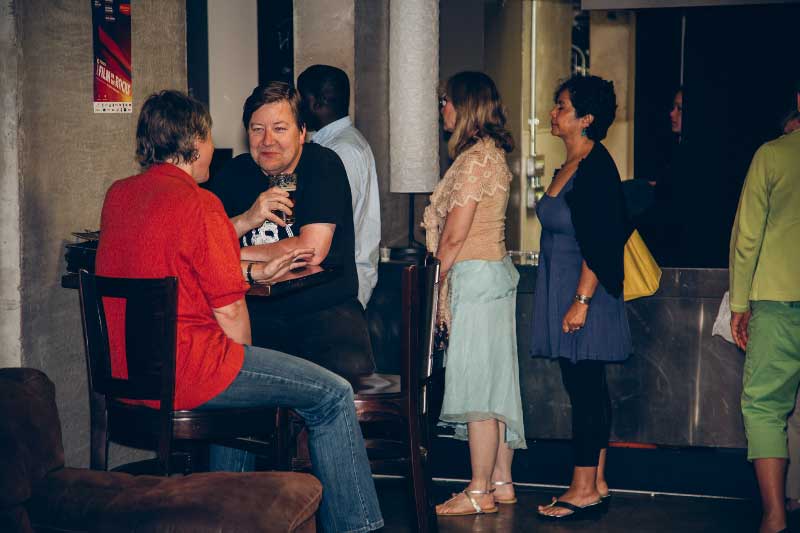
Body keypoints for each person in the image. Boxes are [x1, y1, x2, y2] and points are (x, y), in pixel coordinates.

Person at [95, 90, 383, 533]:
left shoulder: (118, 196)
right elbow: (231, 317)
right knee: (329, 395)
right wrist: (240, 365)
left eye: (279, 128)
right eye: (254, 129)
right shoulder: (199, 202)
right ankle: (359, 527)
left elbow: (188, 266)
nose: (218, 146)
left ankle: (228, 523)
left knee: (247, 384)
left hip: (127, 374)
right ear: (196, 143)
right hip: (188, 370)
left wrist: (245, 267)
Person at [207, 81, 375, 381]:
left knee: (335, 380)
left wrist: (233, 252)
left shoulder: (322, 163)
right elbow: (203, 246)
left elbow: (311, 249)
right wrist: (247, 219)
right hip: (254, 316)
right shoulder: (233, 173)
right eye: (257, 129)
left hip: (323, 315)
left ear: (301, 132)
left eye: (280, 129)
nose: (267, 140)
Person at [422, 71, 526, 516]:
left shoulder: (474, 160)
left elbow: (453, 236)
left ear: (464, 106)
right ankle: (501, 481)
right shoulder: (490, 154)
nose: (441, 109)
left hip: (476, 279)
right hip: (491, 276)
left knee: (479, 385)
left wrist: (433, 286)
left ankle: (479, 490)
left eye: (445, 101)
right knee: (496, 384)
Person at [531, 75, 632, 520]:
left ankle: (583, 488)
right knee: (588, 387)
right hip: (569, 291)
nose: (553, 113)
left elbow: (602, 240)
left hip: (585, 295)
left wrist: (582, 301)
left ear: (585, 119)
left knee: (585, 389)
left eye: (562, 106)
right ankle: (597, 481)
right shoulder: (572, 163)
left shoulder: (595, 167)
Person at [729, 82, 800, 533]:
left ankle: (774, 515)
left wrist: (739, 304)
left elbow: (747, 237)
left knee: (765, 407)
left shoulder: (772, 156)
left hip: (776, 299)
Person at [297, 64, 381, 309]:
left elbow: (333, 222)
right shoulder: (340, 143)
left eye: (301, 99)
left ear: (317, 103)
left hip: (343, 283)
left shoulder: (341, 151)